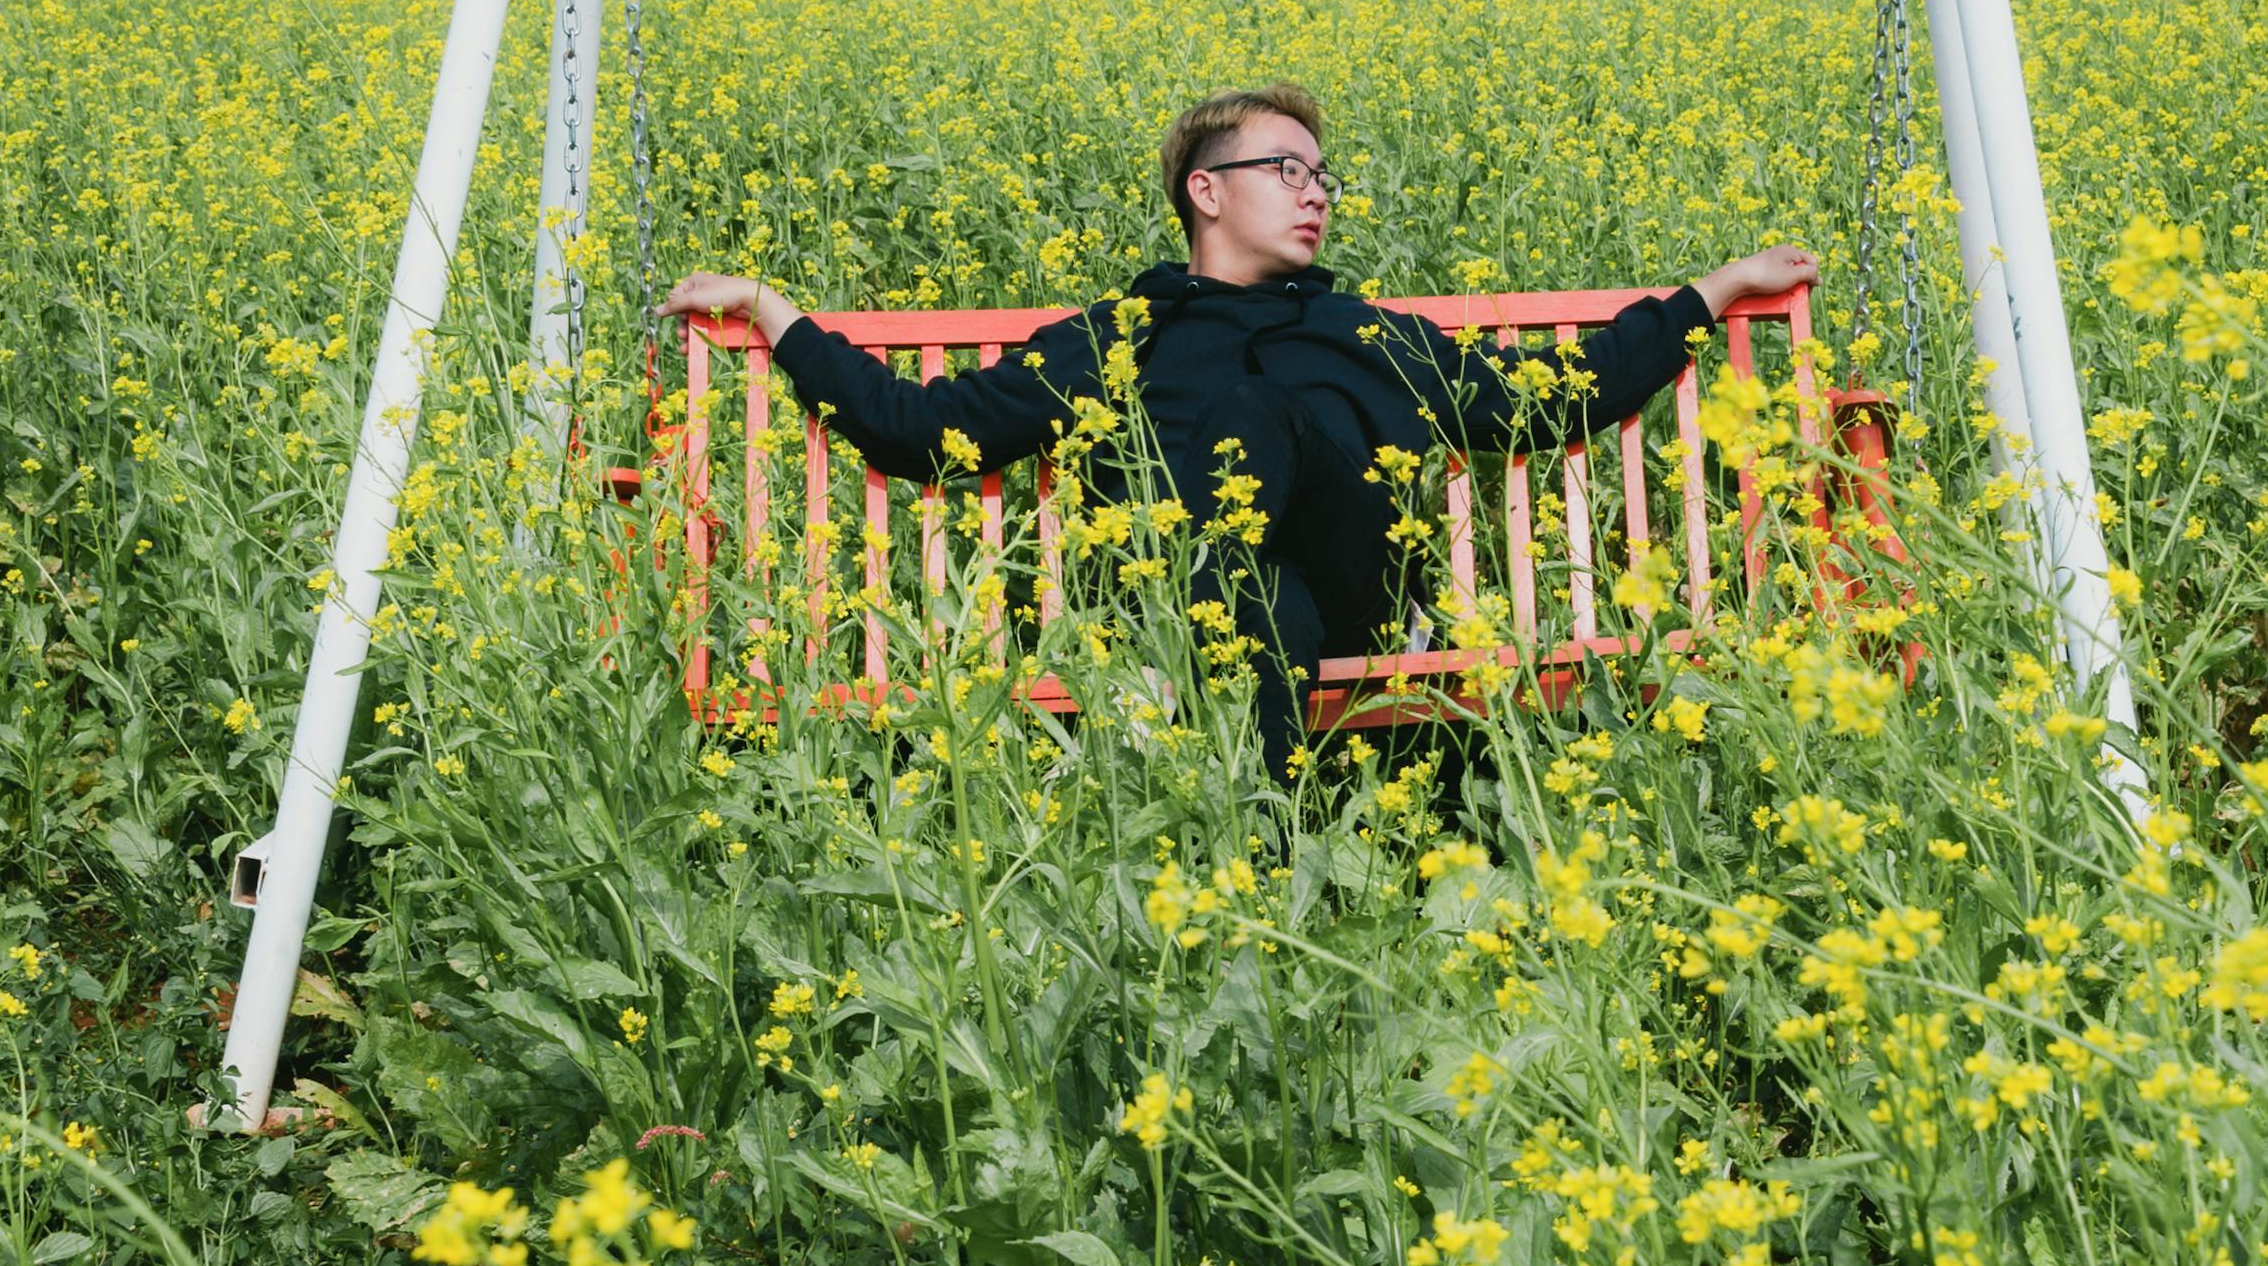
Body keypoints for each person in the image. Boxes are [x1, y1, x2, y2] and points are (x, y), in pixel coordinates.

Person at [656, 82, 1815, 769]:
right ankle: (1264, 854)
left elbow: (1544, 400)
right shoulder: (1124, 332)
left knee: (1265, 430)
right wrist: (771, 314)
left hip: (1341, 583)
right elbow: (920, 427)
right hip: (1183, 607)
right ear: (1205, 192)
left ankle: (1239, 858)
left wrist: (1706, 295)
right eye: (1285, 170)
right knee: (1248, 592)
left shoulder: (1361, 331)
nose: (1315, 193)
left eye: (1324, 178)